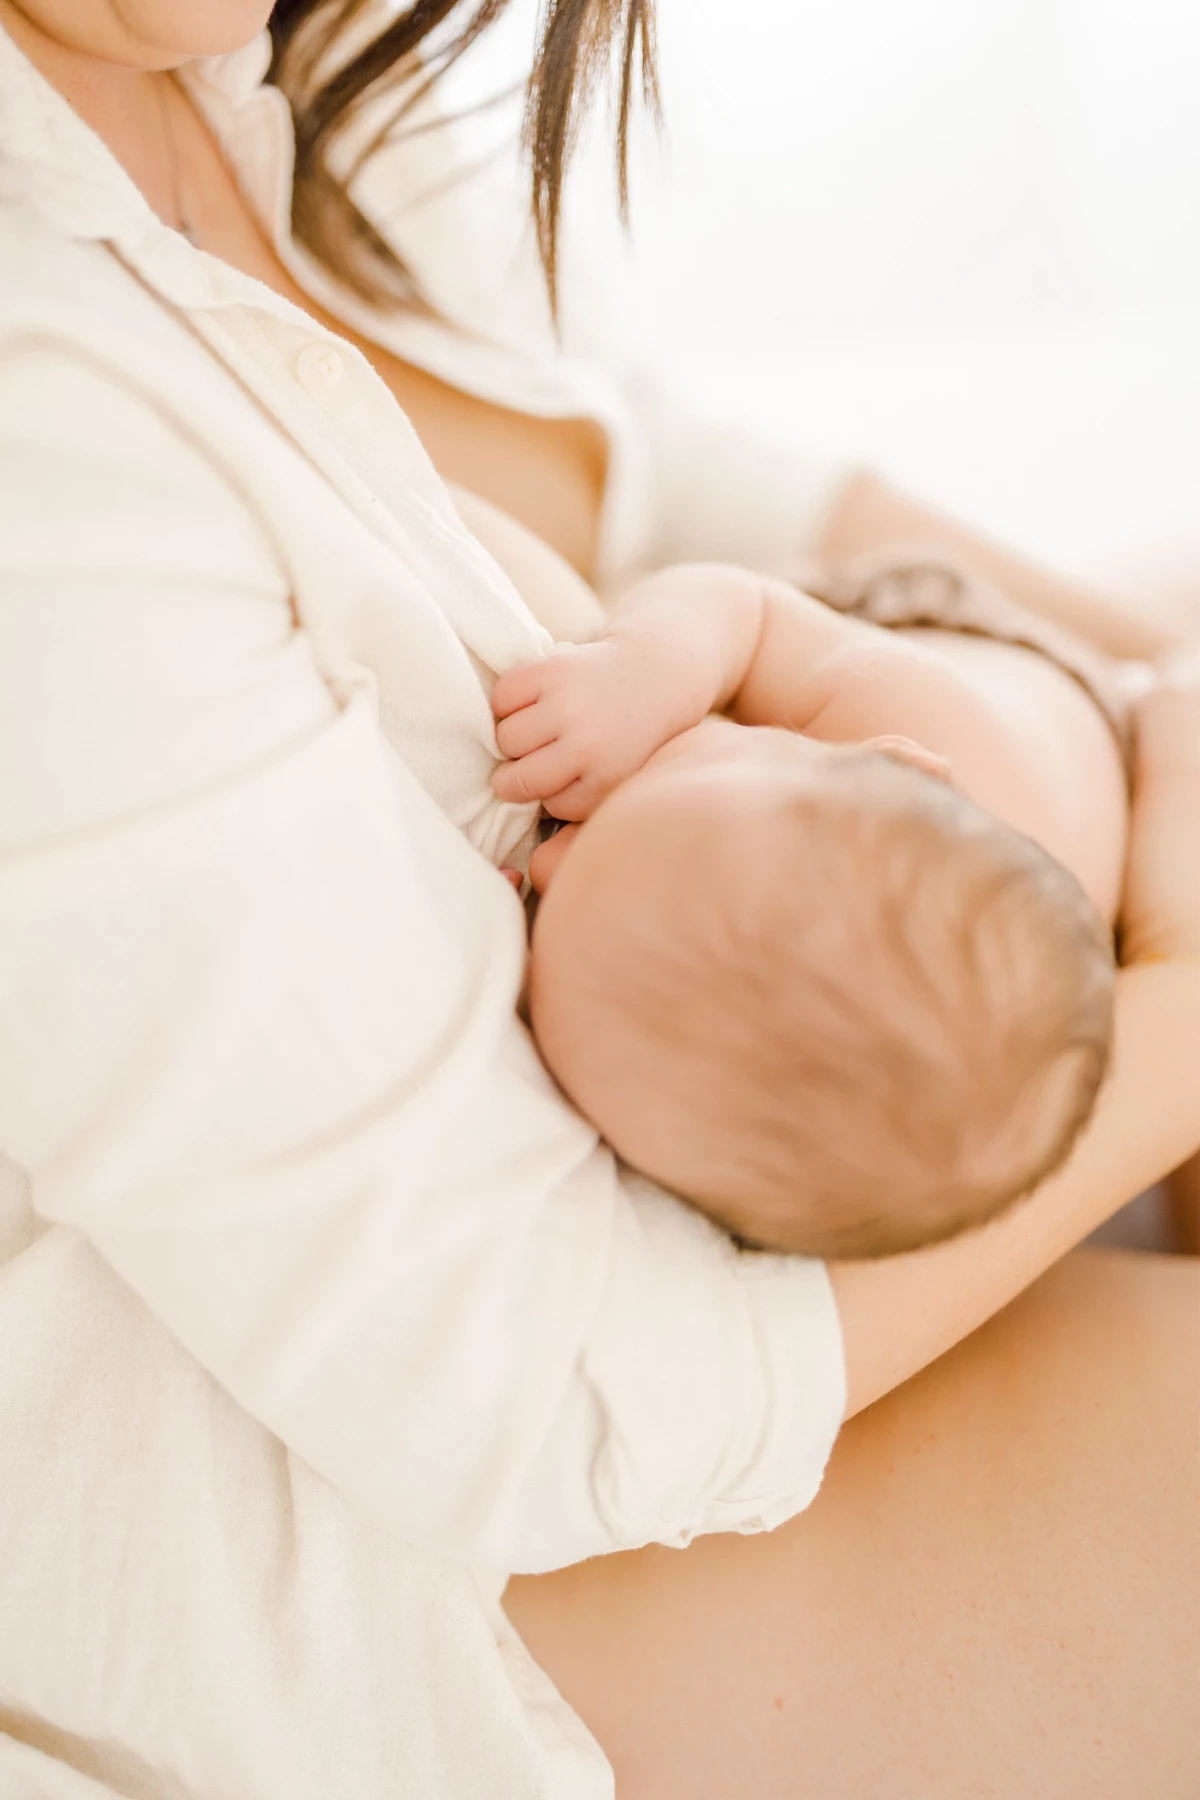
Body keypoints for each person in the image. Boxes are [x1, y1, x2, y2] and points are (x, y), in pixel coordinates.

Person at [0, 6, 1195, 1799]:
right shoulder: (47, 437)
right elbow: (545, 1390)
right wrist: (1172, 1019)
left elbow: (642, 463)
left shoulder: (235, 46)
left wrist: (1145, 692)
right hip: (428, 1519)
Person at [498, 560, 1123, 1258]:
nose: (546, 857)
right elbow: (748, 610)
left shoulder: (744, 1123)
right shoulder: (897, 708)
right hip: (979, 657)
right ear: (876, 762)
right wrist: (650, 664)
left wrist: (504, 959)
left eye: (552, 914)